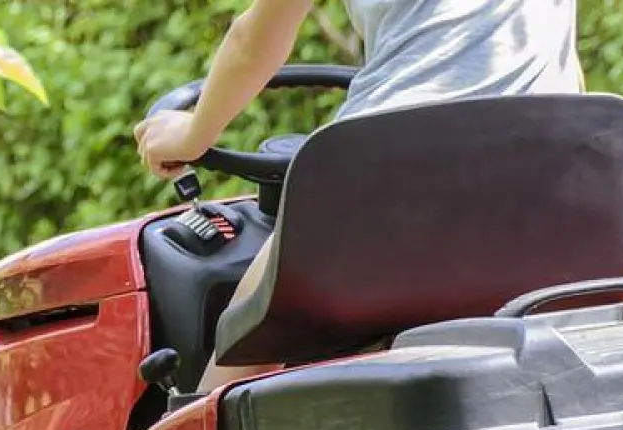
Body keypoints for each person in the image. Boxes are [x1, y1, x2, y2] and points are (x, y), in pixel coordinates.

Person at [134, 0, 584, 393]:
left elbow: (253, 40)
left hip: (397, 176)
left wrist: (192, 135)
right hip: (563, 180)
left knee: (245, 336)